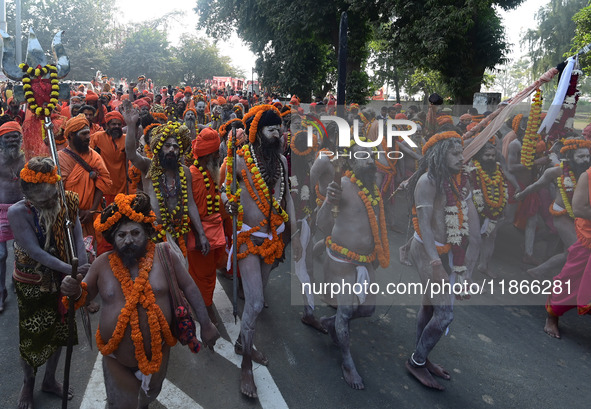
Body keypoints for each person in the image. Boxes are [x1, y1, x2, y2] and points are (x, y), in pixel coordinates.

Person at [61, 192, 220, 408]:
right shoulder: (102, 264)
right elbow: (81, 296)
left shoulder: (165, 255)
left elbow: (190, 288)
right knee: (121, 404)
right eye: (121, 235)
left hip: (159, 351)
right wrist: (73, 290)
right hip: (117, 359)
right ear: (113, 239)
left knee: (151, 394)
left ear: (146, 232)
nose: (128, 240)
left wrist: (207, 324)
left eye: (135, 233)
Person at [224, 104, 301, 398]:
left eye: (279, 129)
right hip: (247, 238)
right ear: (258, 132)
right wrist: (228, 202)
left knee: (258, 299)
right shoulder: (240, 160)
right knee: (255, 302)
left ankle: (244, 341)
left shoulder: (281, 161)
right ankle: (245, 367)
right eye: (272, 129)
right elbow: (225, 190)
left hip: (273, 239)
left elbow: (286, 196)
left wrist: (292, 230)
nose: (278, 133)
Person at [8, 157, 89, 409]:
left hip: (65, 280)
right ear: (27, 195)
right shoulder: (17, 212)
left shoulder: (65, 200)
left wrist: (82, 269)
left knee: (61, 333)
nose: (51, 203)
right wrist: (71, 269)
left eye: (53, 197)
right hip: (33, 281)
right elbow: (35, 251)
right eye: (43, 201)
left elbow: (77, 235)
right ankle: (28, 383)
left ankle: (50, 380)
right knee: (33, 338)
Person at [405, 131, 481, 390]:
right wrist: (436, 263)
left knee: (429, 307)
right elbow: (425, 226)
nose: (462, 158)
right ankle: (417, 361)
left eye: (462, 153)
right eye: (455, 153)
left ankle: (421, 357)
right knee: (445, 314)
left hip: (449, 251)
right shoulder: (428, 181)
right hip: (427, 250)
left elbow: (474, 231)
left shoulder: (461, 181)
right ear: (439, 154)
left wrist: (467, 271)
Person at [317, 142, 390, 390]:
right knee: (346, 311)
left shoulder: (373, 187)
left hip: (364, 260)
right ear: (352, 163)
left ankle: (331, 322)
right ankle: (347, 363)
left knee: (368, 309)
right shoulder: (343, 186)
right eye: (363, 157)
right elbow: (321, 222)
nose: (369, 161)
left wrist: (378, 252)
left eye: (372, 156)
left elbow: (375, 223)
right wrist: (328, 201)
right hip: (341, 259)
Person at [122, 101, 210, 257]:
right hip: (154, 233)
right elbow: (130, 153)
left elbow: (190, 204)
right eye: (167, 145)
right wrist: (130, 126)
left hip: (179, 233)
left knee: (179, 276)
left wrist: (201, 234)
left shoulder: (184, 172)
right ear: (159, 147)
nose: (171, 149)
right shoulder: (149, 166)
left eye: (176, 147)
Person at [515, 139, 591, 278]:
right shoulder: (556, 171)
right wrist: (521, 194)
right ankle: (557, 276)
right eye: (581, 157)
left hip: (581, 216)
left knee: (572, 250)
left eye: (587, 156)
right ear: (569, 157)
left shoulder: (587, 171)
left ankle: (541, 270)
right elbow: (537, 185)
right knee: (577, 249)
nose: (585, 160)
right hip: (561, 214)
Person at [544, 164, 591, 338]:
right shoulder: (587, 176)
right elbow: (579, 208)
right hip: (588, 239)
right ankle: (552, 317)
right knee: (569, 278)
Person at [187, 128, 227, 326]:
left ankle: (203, 304)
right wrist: (199, 234)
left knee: (211, 271)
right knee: (203, 275)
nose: (220, 155)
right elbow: (188, 209)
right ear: (208, 155)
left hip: (215, 230)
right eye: (216, 153)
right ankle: (205, 309)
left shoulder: (211, 172)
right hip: (200, 234)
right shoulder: (192, 175)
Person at [58, 114, 112, 238]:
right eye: (83, 134)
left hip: (91, 215)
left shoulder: (94, 156)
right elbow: (57, 189)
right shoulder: (60, 158)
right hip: (68, 215)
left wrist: (91, 210)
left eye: (88, 133)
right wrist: (73, 212)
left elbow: (103, 183)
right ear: (71, 135)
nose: (88, 137)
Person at [468, 141, 509, 278]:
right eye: (487, 155)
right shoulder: (472, 169)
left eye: (493, 155)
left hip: (494, 209)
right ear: (480, 156)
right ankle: (464, 273)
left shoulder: (497, 170)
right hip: (474, 208)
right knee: (472, 240)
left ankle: (483, 266)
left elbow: (502, 186)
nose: (491, 158)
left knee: (491, 237)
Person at [0, 121, 25, 312]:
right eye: (7, 137)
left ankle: (17, 279)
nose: (11, 140)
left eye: (14, 136)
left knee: (21, 249)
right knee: (1, 254)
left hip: (21, 208)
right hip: (0, 211)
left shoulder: (25, 157)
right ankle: (0, 293)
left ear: (20, 138)